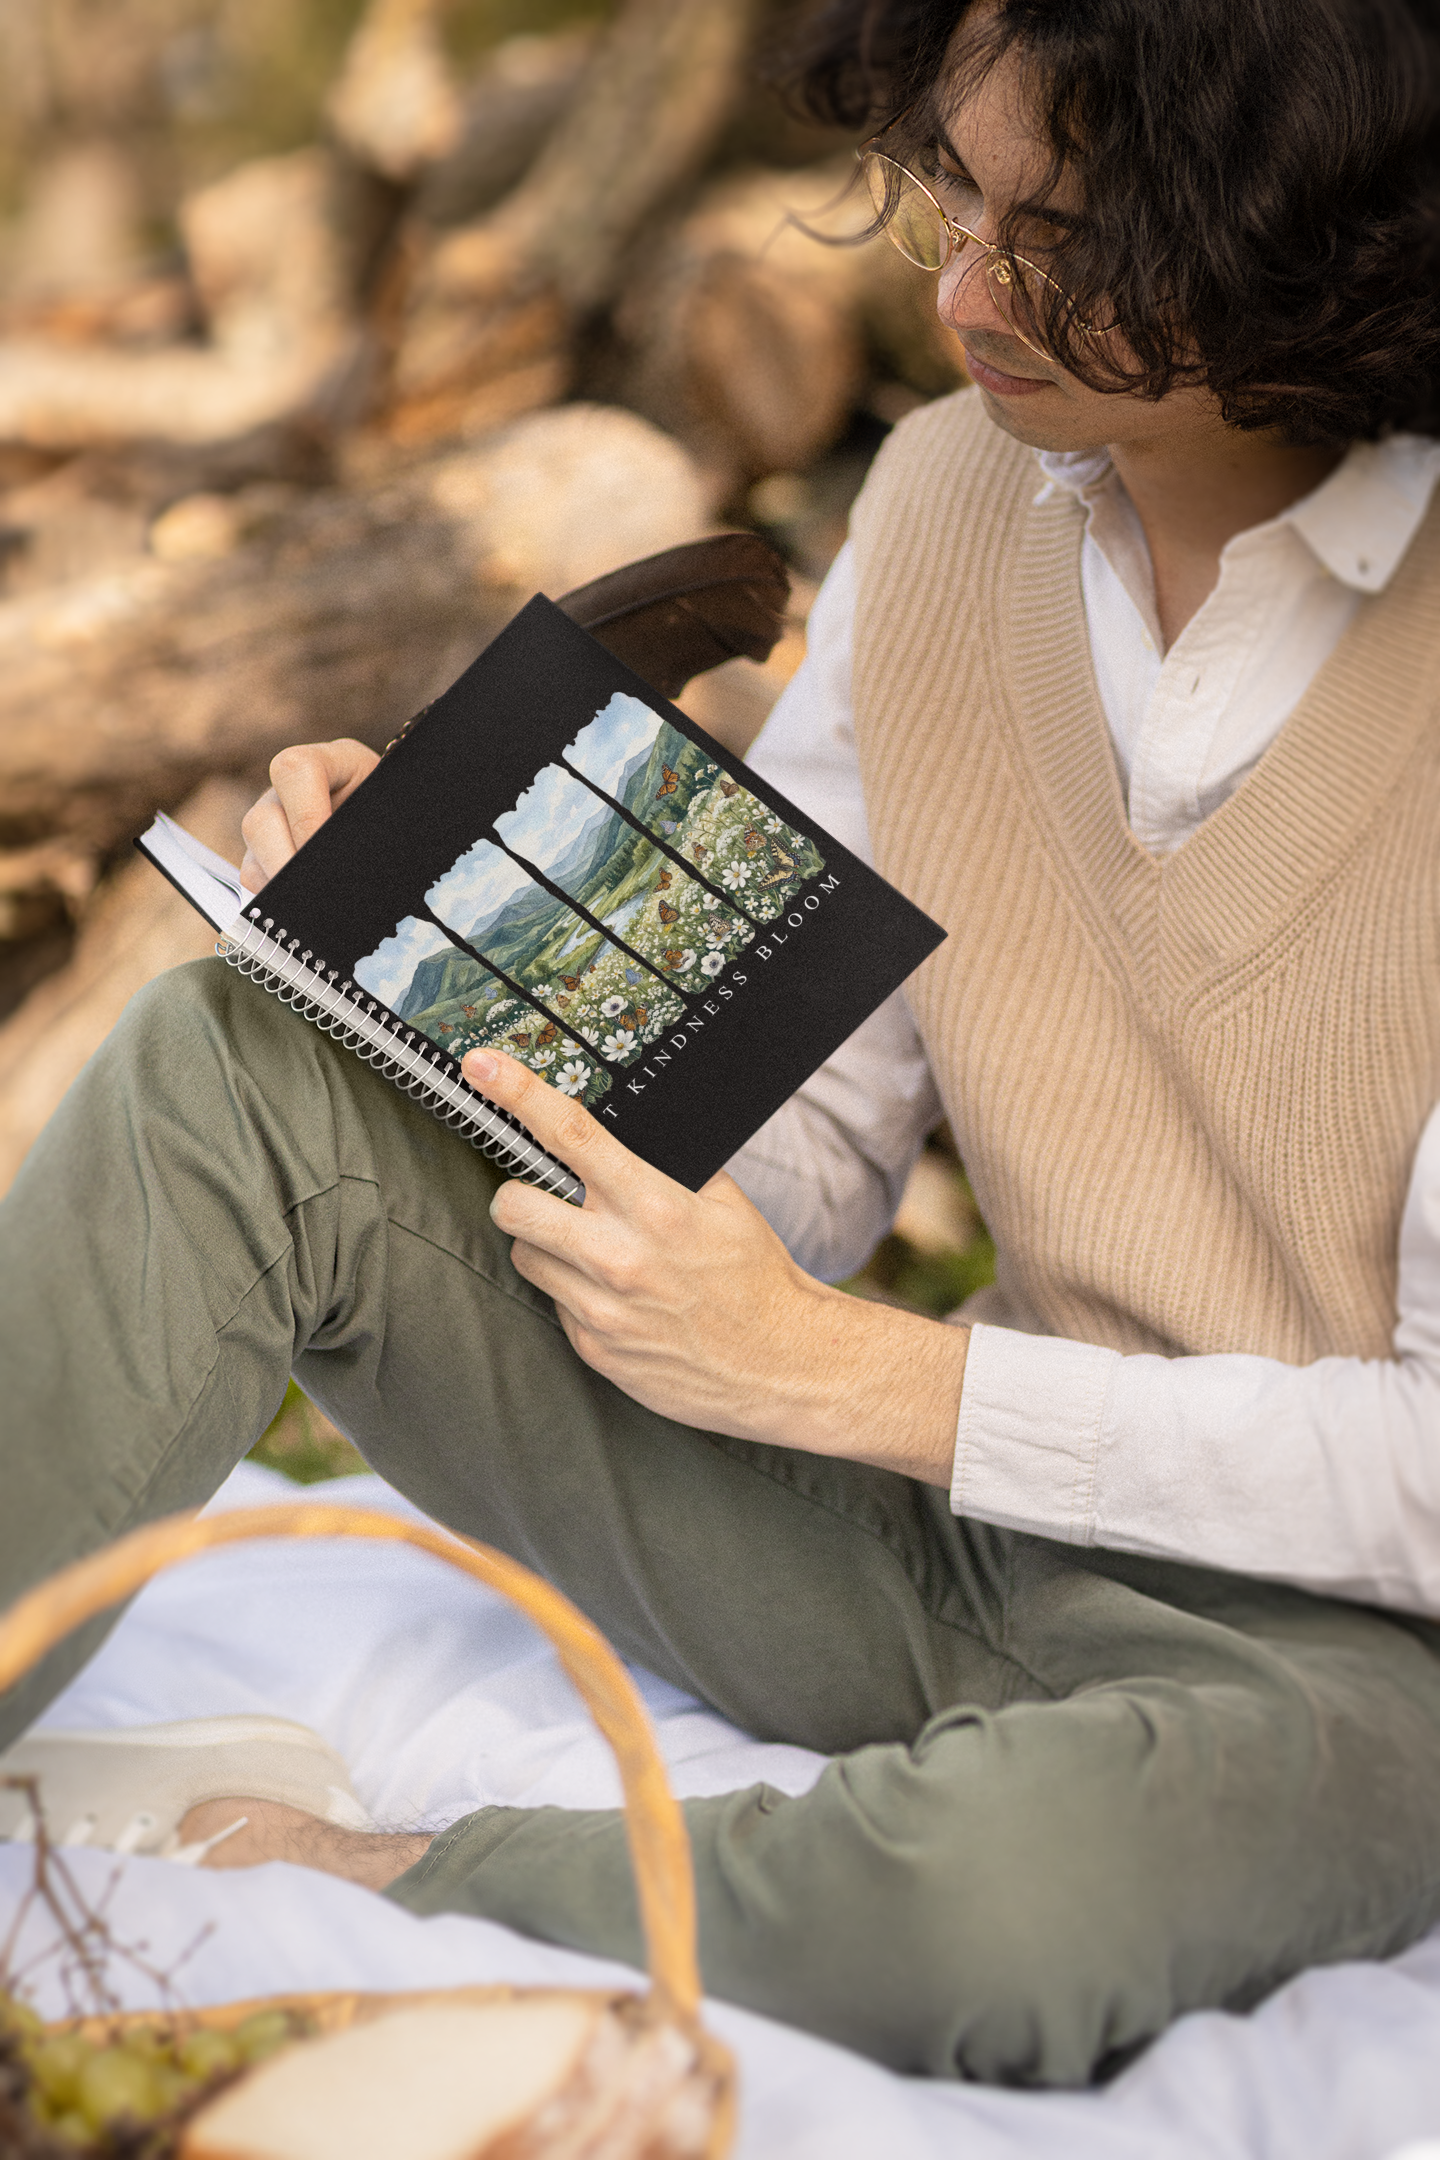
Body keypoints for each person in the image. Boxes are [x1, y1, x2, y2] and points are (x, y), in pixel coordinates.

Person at [4, 0, 1440, 2087]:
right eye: (957, 194)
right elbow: (811, 1152)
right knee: (238, 1069)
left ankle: (410, 1877)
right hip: (915, 1532)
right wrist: (437, 975)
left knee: (997, 1911)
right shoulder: (944, 504)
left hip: (1352, 1663)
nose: (962, 295)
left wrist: (870, 1379)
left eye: (1066, 239)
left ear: (1303, 224)